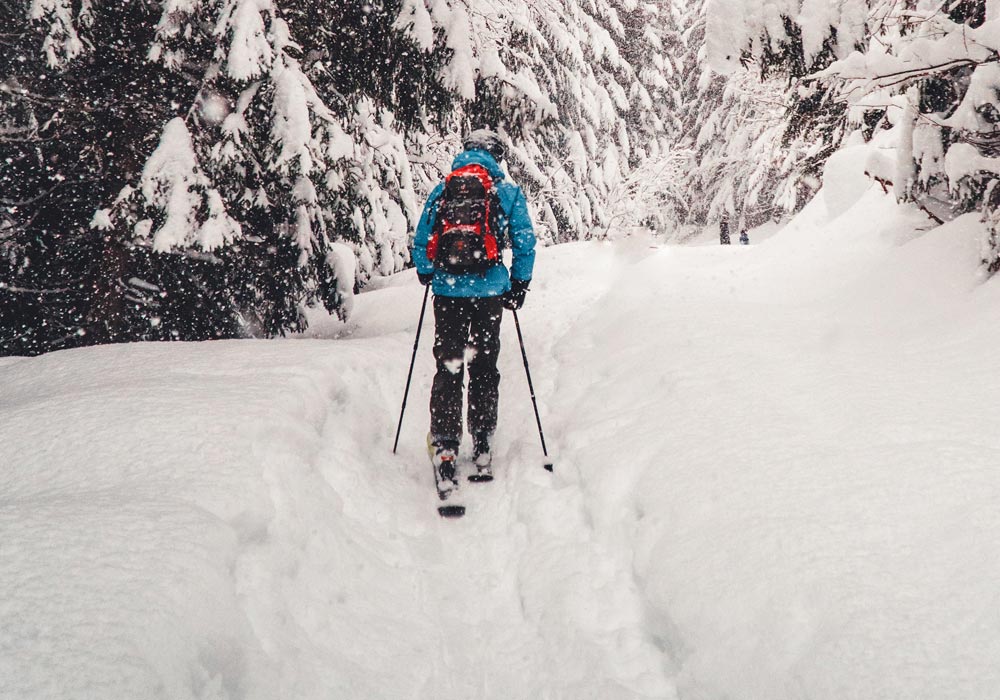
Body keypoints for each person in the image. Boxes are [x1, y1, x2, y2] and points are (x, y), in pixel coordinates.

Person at [412, 129, 536, 485]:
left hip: (448, 293)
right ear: (496, 156)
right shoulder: (506, 192)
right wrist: (518, 283)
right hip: (489, 294)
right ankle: (482, 441)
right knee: (484, 365)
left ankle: (446, 445)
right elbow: (525, 240)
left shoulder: (443, 189)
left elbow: (422, 238)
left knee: (449, 365)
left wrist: (426, 271)